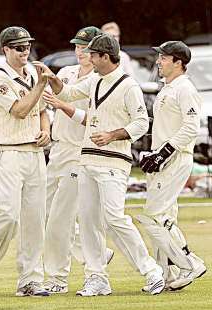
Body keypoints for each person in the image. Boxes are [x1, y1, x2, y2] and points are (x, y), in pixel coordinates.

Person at [38, 33, 165, 296]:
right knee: (88, 221)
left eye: (93, 54)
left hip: (114, 162)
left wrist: (111, 135)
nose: (88, 58)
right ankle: (97, 277)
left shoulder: (129, 86)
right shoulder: (94, 79)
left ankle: (151, 271)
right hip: (87, 160)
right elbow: (70, 93)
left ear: (105, 56)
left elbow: (142, 123)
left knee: (115, 218)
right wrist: (51, 78)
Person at [0, 26, 51, 297]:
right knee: (9, 214)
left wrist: (47, 130)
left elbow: (42, 110)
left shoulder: (32, 74)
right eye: (19, 48)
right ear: (5, 49)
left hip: (34, 152)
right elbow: (19, 111)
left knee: (34, 218)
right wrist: (42, 84)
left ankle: (30, 280)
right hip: (8, 151)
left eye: (27, 46)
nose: (25, 52)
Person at [42, 26, 114, 295]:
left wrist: (63, 105)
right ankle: (91, 253)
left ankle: (58, 277)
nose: (80, 52)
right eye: (77, 46)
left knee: (61, 217)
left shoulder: (101, 81)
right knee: (44, 212)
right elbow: (52, 104)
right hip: (58, 149)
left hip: (80, 152)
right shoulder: (65, 74)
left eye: (86, 47)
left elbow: (89, 120)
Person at [137, 41, 206, 291]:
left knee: (153, 217)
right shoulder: (167, 88)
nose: (158, 62)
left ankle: (190, 263)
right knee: (164, 217)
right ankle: (166, 275)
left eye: (164, 58)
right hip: (163, 159)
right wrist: (153, 153)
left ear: (178, 62)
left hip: (176, 159)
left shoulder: (185, 88)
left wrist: (164, 152)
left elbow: (191, 127)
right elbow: (166, 125)